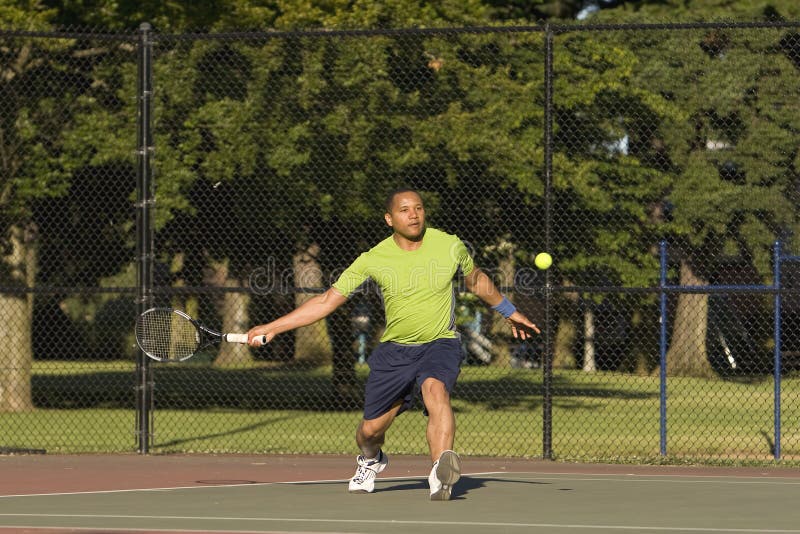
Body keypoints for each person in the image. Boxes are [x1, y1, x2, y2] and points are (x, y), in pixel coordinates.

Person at [247, 188, 539, 500]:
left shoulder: (449, 245)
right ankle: (371, 459)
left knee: (435, 390)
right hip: (395, 351)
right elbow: (326, 301)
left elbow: (476, 279)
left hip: (440, 343)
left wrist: (509, 311)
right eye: (404, 210)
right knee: (370, 431)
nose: (413, 214)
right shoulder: (373, 258)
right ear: (389, 219)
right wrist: (274, 327)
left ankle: (441, 471)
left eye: (418, 208)